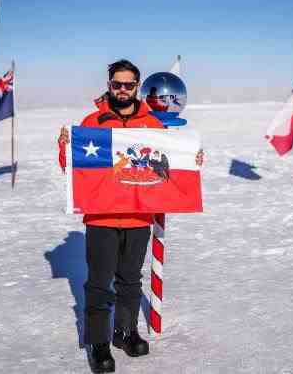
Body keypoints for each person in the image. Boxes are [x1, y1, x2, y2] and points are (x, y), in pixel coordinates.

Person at [57, 59, 203, 373]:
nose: (122, 90)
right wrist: (65, 147)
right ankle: (98, 342)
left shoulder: (152, 125)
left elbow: (169, 160)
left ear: (137, 87)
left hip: (138, 218)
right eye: (116, 84)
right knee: (98, 283)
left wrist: (192, 158)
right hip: (101, 219)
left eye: (128, 85)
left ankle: (125, 332)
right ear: (109, 85)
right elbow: (72, 168)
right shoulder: (92, 122)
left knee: (130, 280)